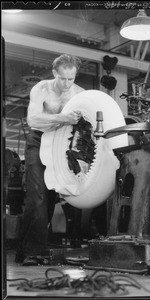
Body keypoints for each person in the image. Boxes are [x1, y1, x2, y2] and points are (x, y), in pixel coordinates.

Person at [15, 54, 85, 264]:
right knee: (36, 196)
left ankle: (24, 250)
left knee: (50, 197)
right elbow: (33, 119)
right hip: (38, 140)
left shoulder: (79, 93)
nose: (66, 83)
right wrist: (63, 117)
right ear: (55, 73)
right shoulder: (41, 88)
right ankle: (33, 252)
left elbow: (84, 124)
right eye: (62, 78)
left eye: (70, 79)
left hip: (60, 143)